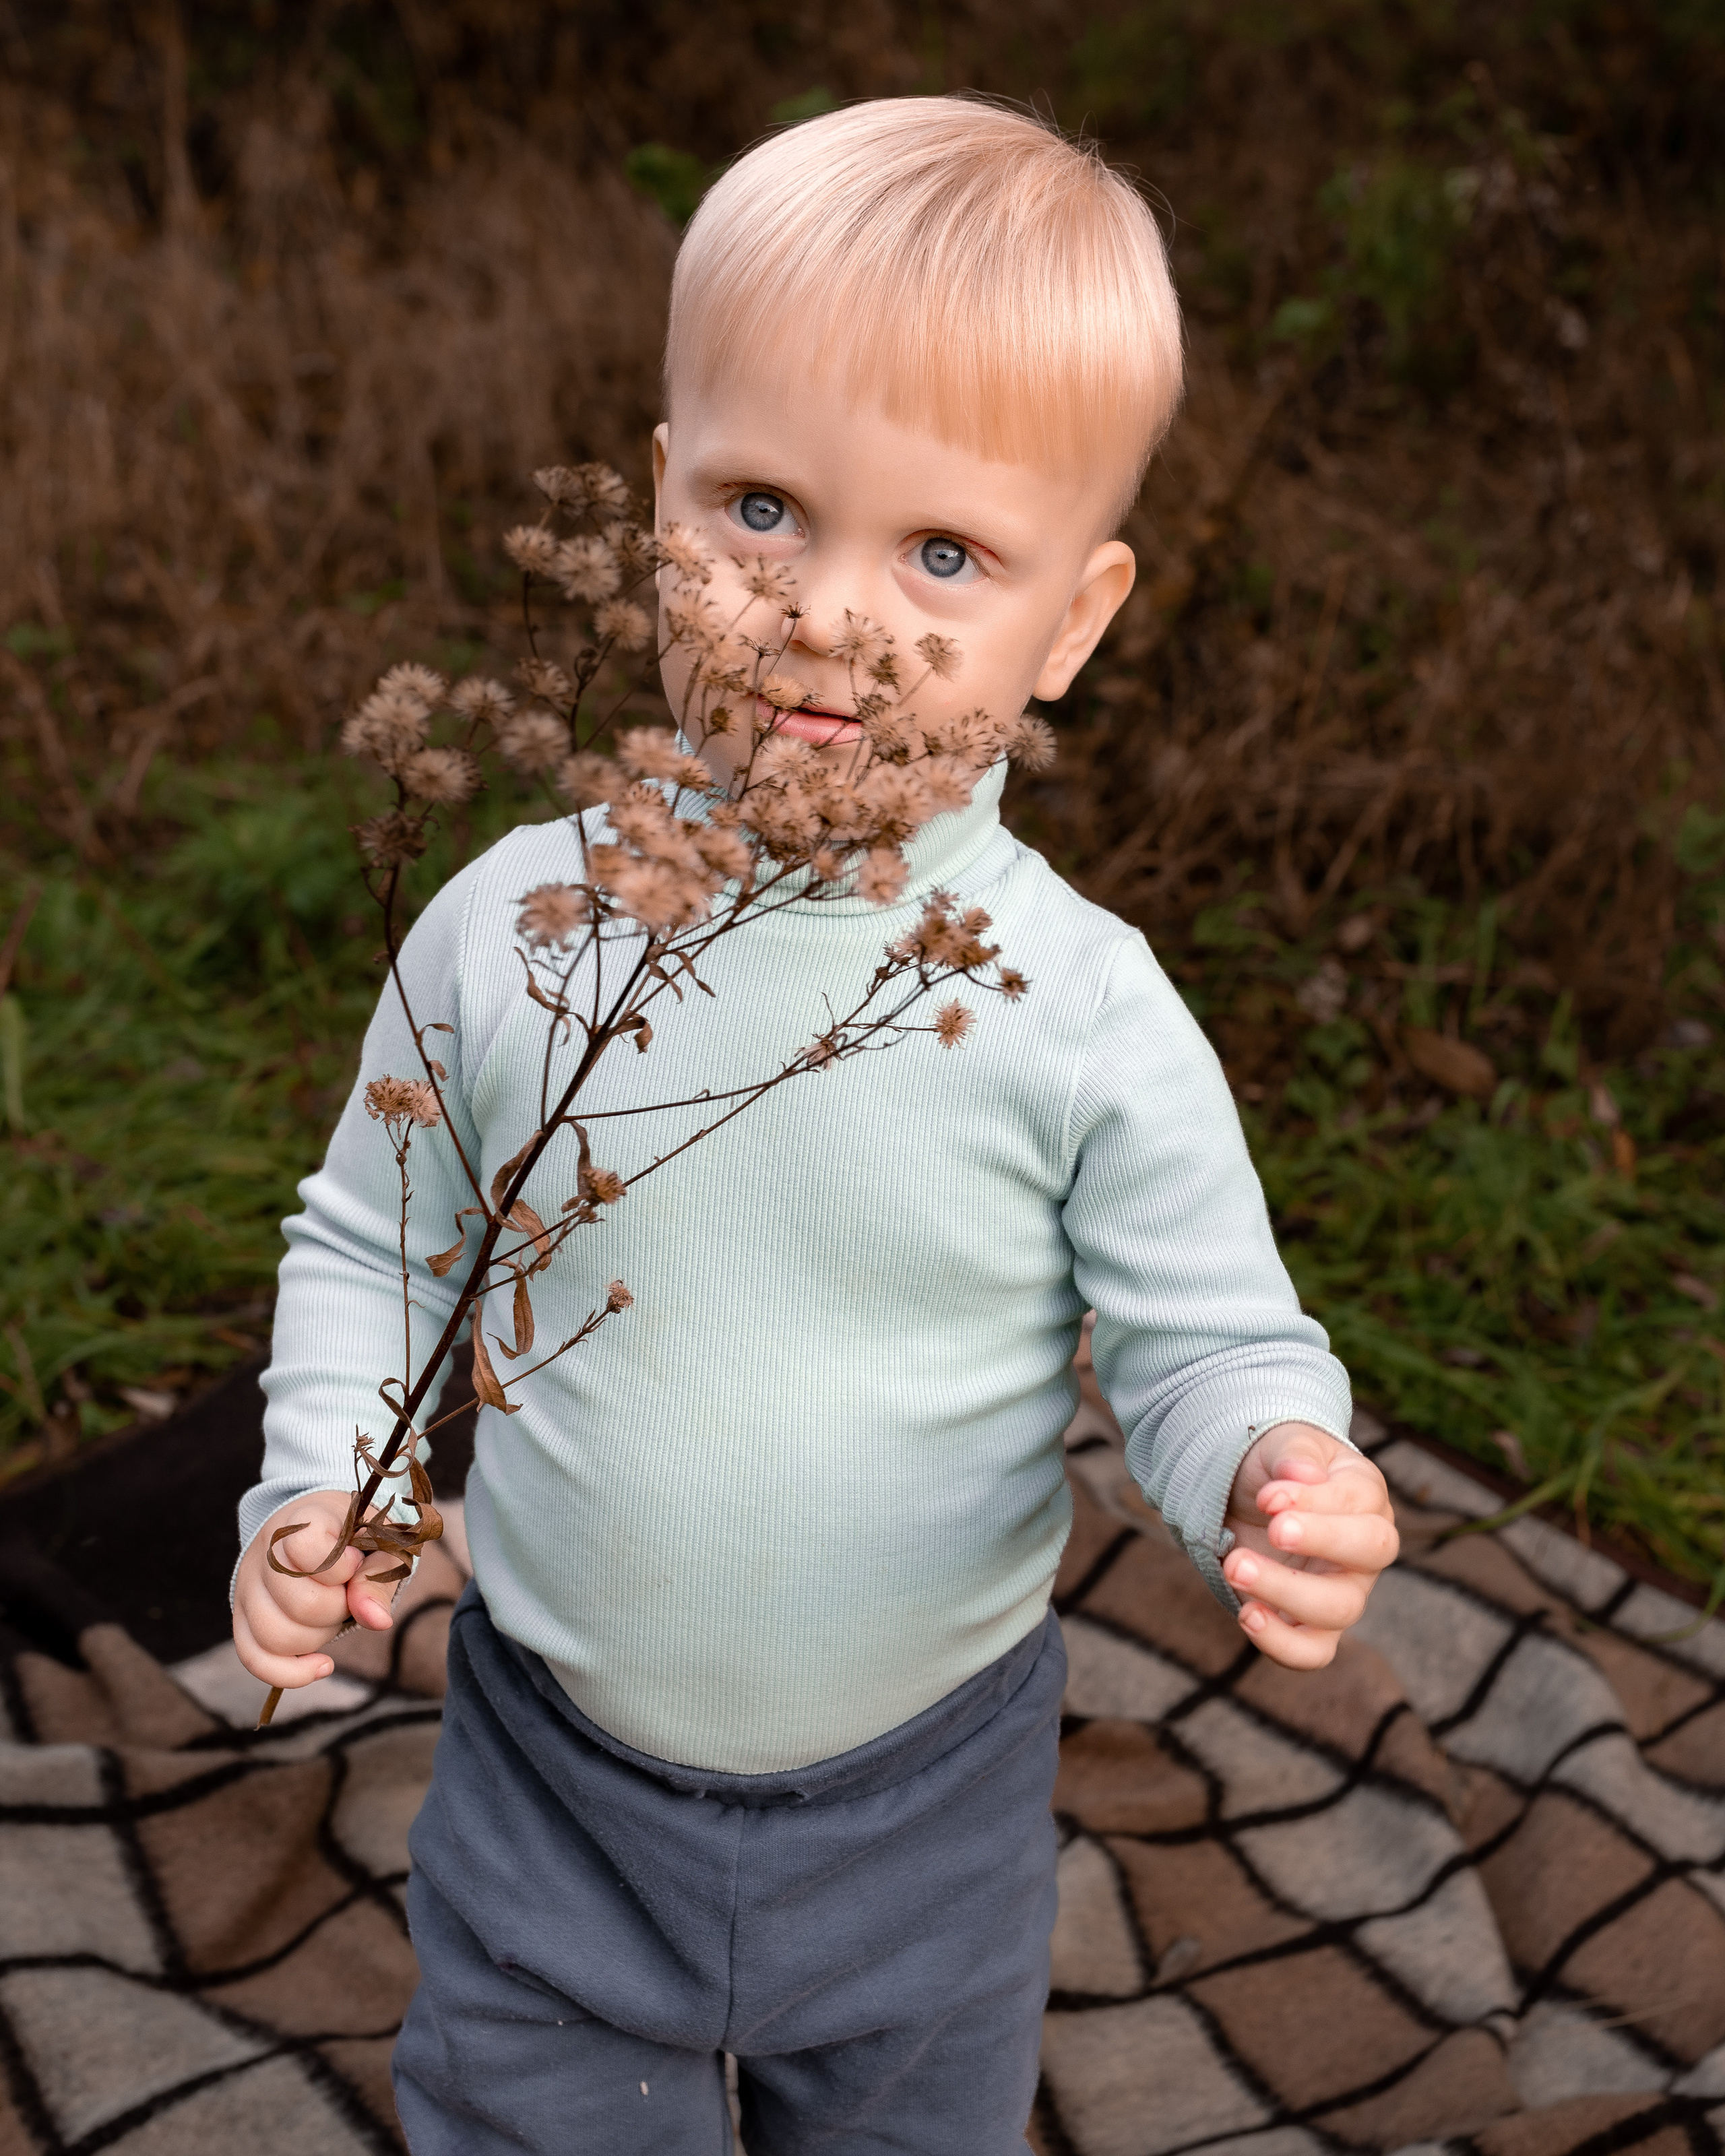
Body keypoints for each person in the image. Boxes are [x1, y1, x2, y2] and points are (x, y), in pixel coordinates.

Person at [230, 96, 1399, 2155]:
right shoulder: (519, 928)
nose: (825, 614)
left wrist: (1275, 1472)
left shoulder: (1079, 1011)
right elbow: (375, 1244)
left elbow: (1201, 1335)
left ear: (1078, 617)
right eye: (763, 508)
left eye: (945, 553)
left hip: (925, 1799)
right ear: (663, 486)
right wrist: (332, 1489)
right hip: (557, 1778)